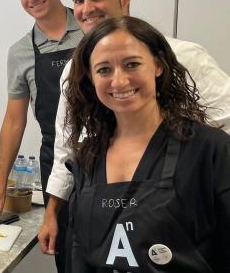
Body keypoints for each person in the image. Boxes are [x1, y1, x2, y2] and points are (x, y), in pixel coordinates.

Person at [39, 0, 230, 259]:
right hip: (102, 207)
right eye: (78, 0)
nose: (87, 9)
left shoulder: (186, 56)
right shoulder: (74, 74)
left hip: (177, 214)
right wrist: (52, 212)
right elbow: (67, 147)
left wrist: (190, 179)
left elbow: (225, 124)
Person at [64, 16, 230, 272]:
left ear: (158, 66)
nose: (119, 81)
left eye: (132, 64)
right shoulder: (87, 156)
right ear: (91, 77)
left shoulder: (211, 150)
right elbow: (80, 252)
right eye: (104, 69)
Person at [0, 0, 83, 272]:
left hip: (108, 157)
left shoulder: (92, 29)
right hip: (57, 160)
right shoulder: (21, 51)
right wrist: (0, 180)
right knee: (67, 254)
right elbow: (14, 120)